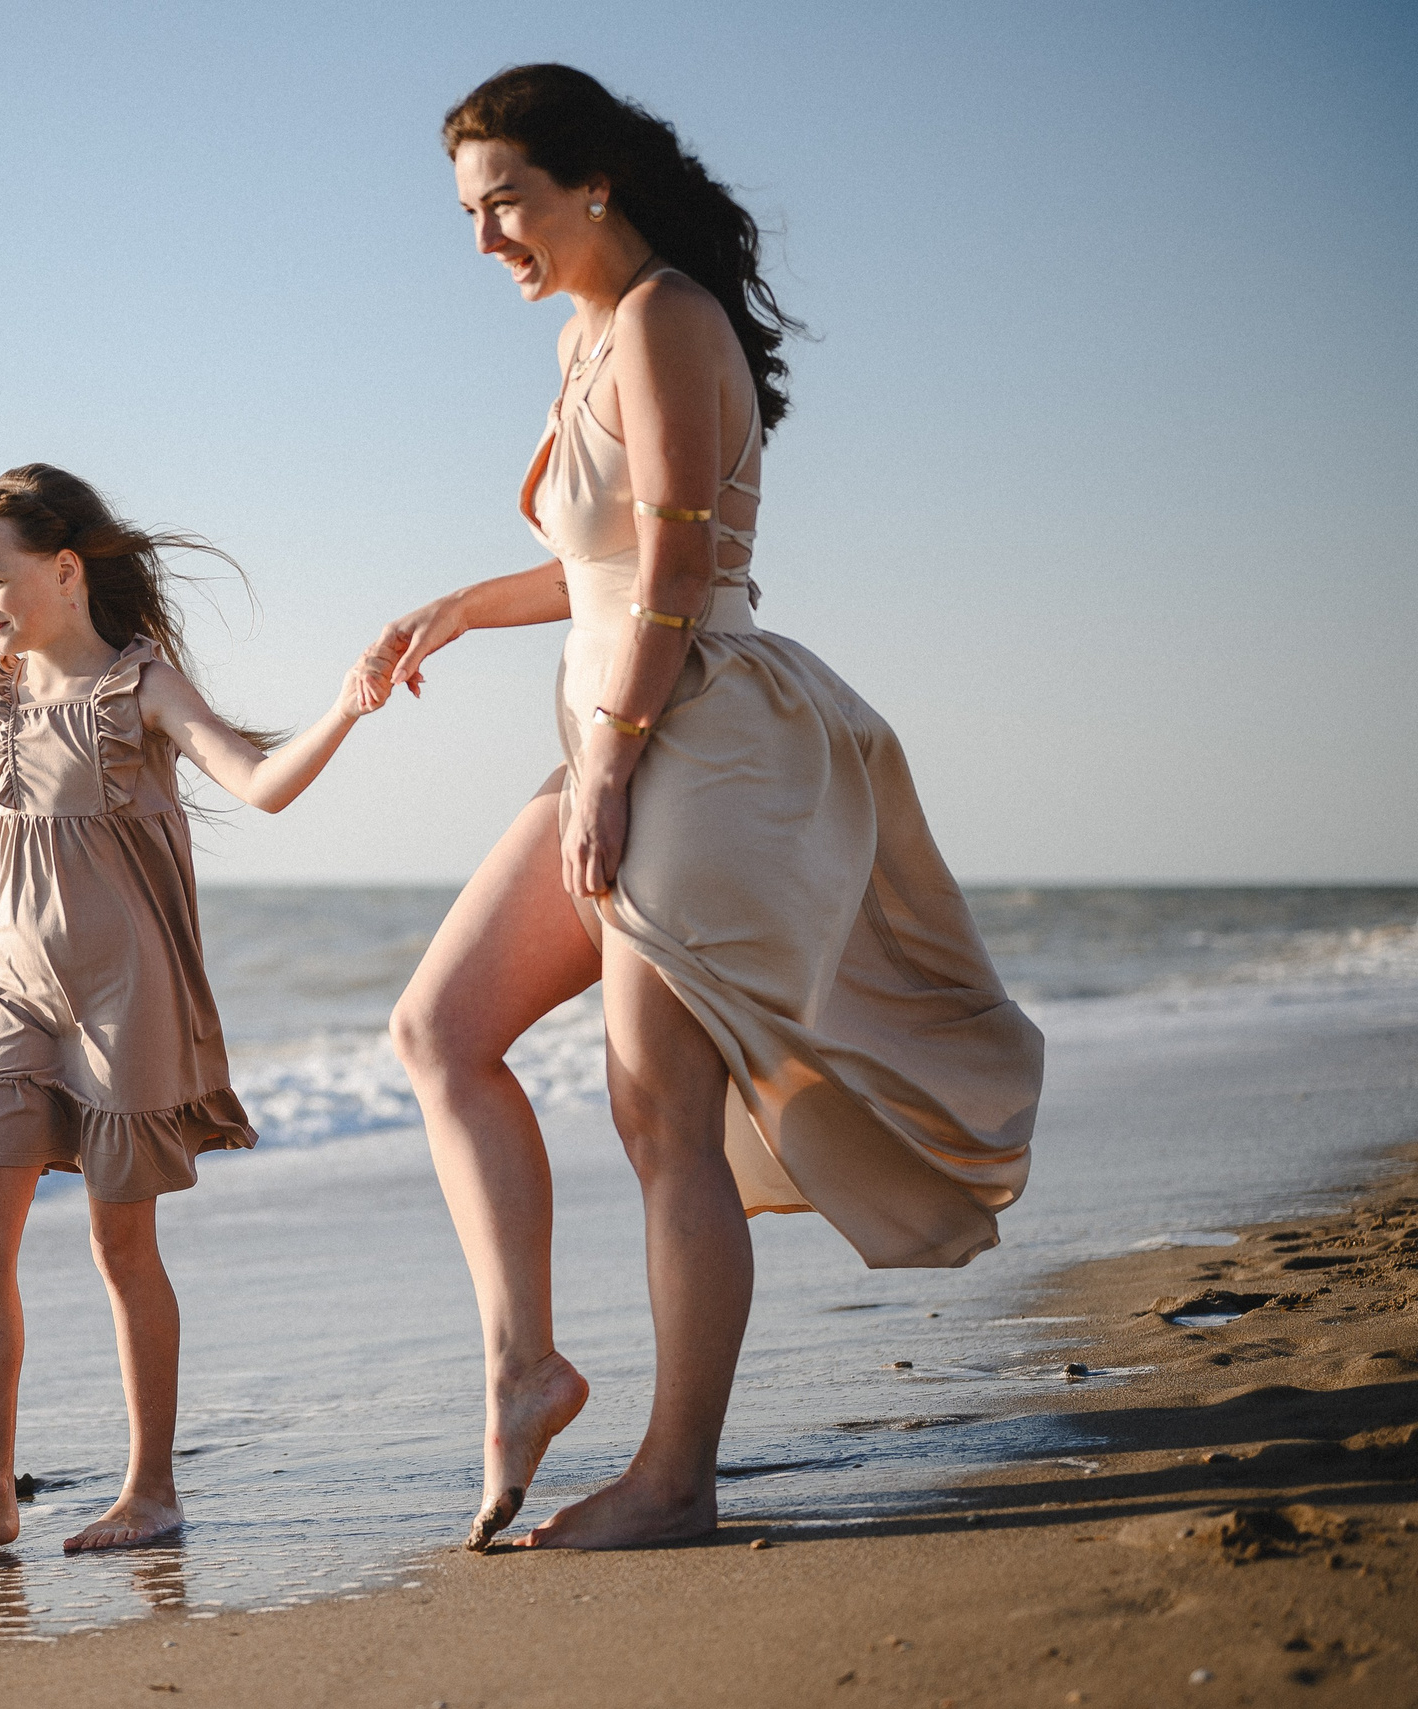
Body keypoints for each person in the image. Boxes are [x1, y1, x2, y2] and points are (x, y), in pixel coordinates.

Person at [375, 65, 1044, 1552]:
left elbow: (679, 567)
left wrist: (608, 759)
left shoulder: (670, 315)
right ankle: (526, 1363)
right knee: (439, 1029)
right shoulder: (585, 330)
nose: (488, 239)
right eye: (471, 215)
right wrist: (456, 610)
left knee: (658, 1108)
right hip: (630, 719)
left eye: (508, 205)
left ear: (593, 178)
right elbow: (596, 563)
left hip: (694, 729)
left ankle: (676, 1479)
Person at [0, 464, 398, 1560]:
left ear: (64, 569)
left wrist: (345, 708)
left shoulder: (140, 687)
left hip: (129, 999)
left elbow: (258, 781)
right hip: (20, 992)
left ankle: (151, 1488)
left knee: (122, 1245)